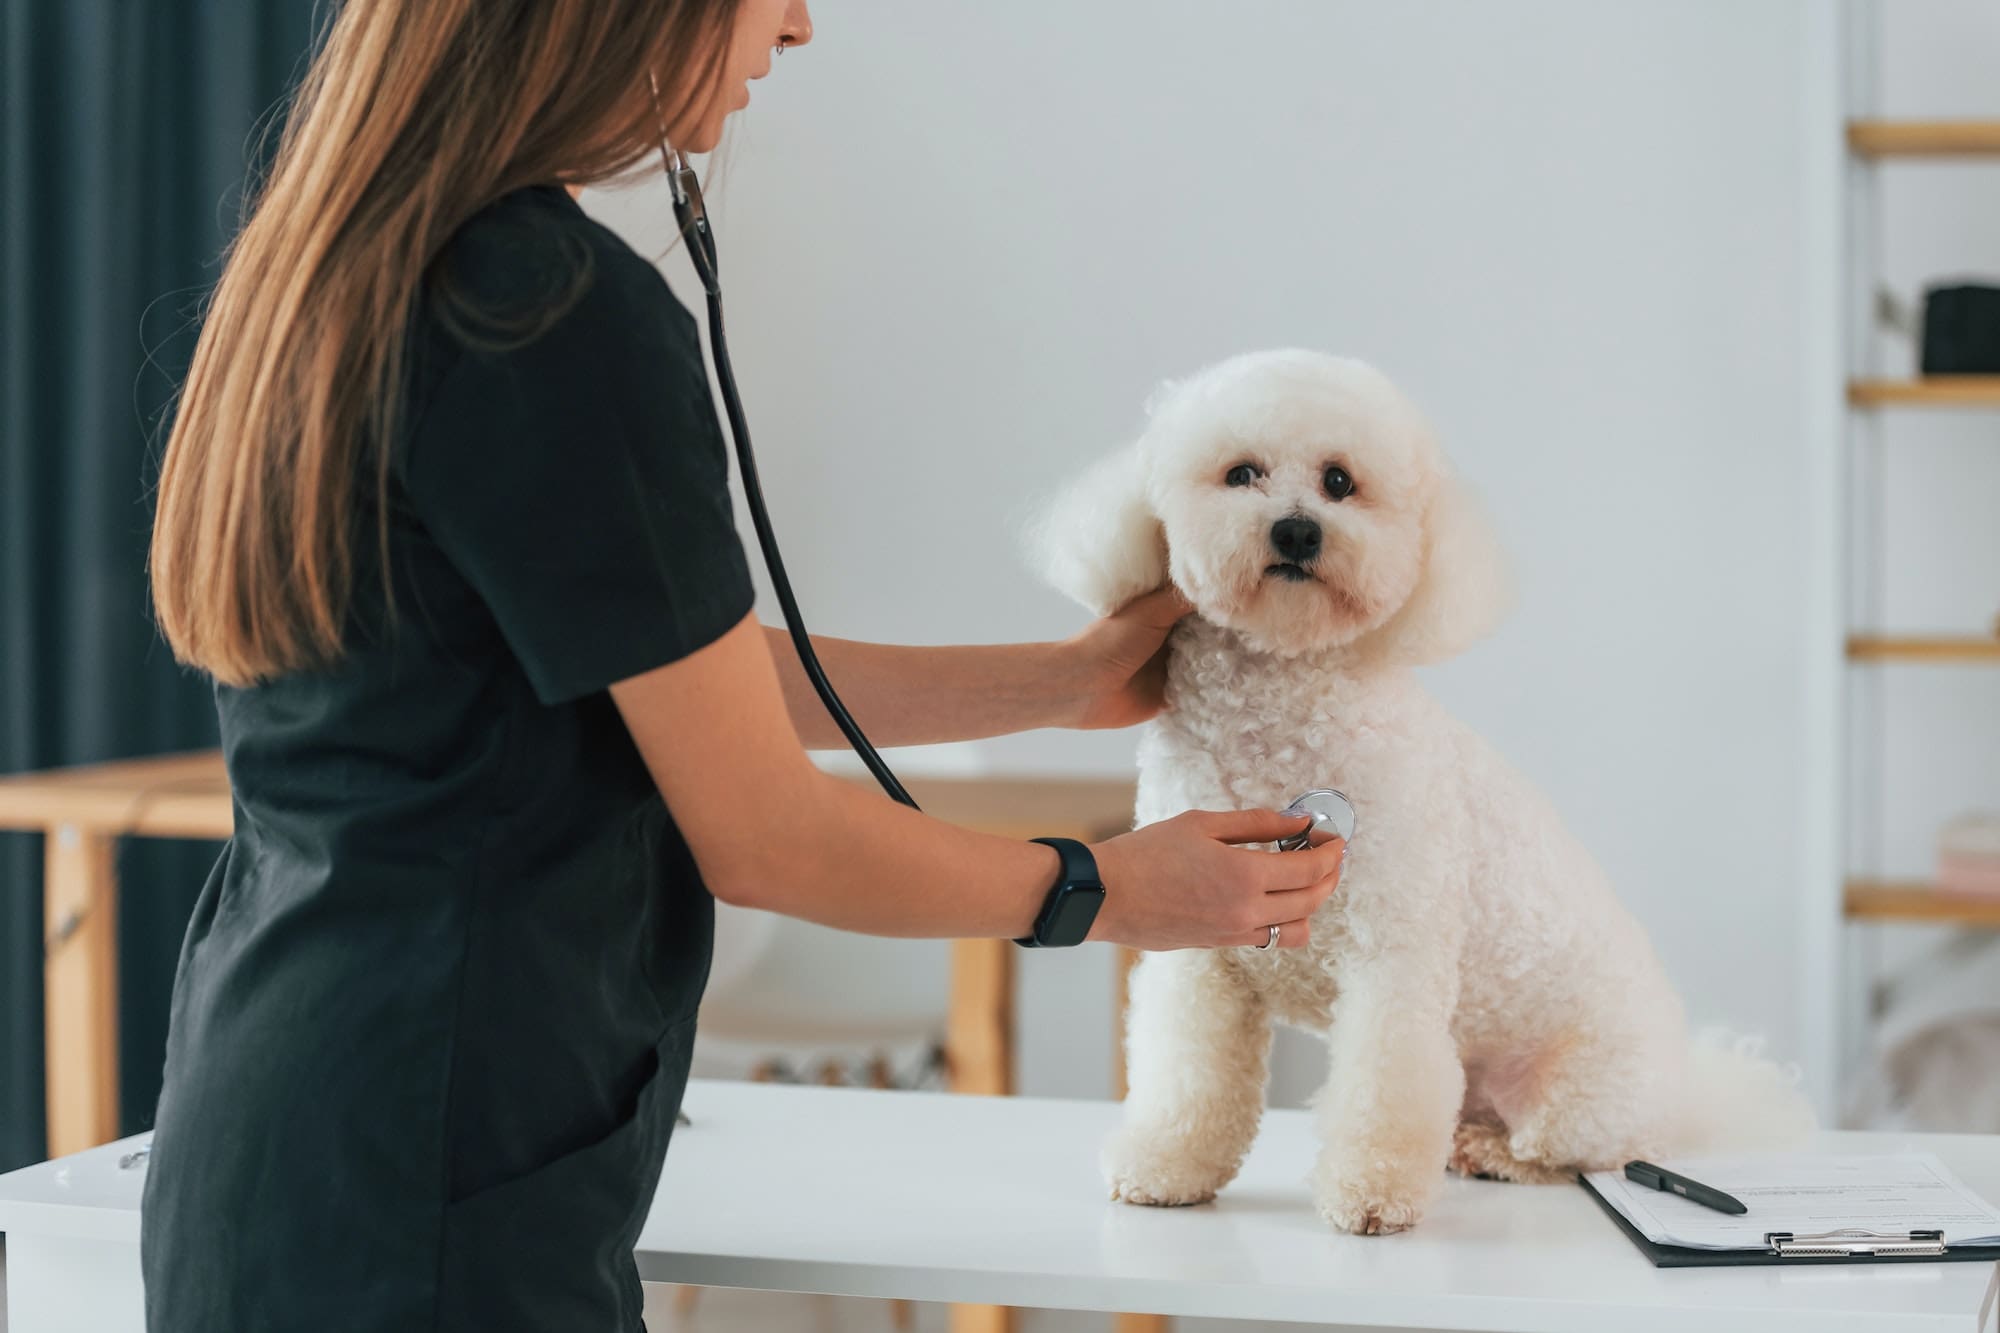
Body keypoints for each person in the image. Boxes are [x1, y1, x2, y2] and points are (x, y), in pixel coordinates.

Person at [140, 1, 1347, 1329]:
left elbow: (644, 662)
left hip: (280, 1150)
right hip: (432, 1192)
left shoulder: (349, 271)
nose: (800, 24)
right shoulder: (554, 313)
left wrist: (1057, 682)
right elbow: (766, 834)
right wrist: (1104, 888)